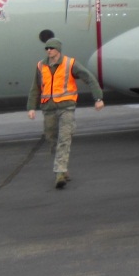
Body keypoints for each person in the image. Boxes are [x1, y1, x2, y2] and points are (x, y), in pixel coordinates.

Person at [27, 38, 104, 189]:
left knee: (64, 138)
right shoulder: (41, 66)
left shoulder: (70, 63)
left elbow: (89, 78)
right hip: (48, 109)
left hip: (66, 108)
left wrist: (98, 98)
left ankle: (59, 173)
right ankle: (63, 167)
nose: (48, 50)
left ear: (58, 50)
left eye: (51, 48)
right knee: (51, 138)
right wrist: (31, 107)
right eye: (47, 48)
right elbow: (35, 87)